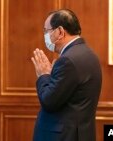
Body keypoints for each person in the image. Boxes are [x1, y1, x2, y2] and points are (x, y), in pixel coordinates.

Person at [31, 9, 102, 141]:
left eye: (46, 30)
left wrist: (44, 75)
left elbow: (49, 101)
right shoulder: (89, 54)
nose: (45, 35)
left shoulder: (67, 60)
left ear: (60, 32)